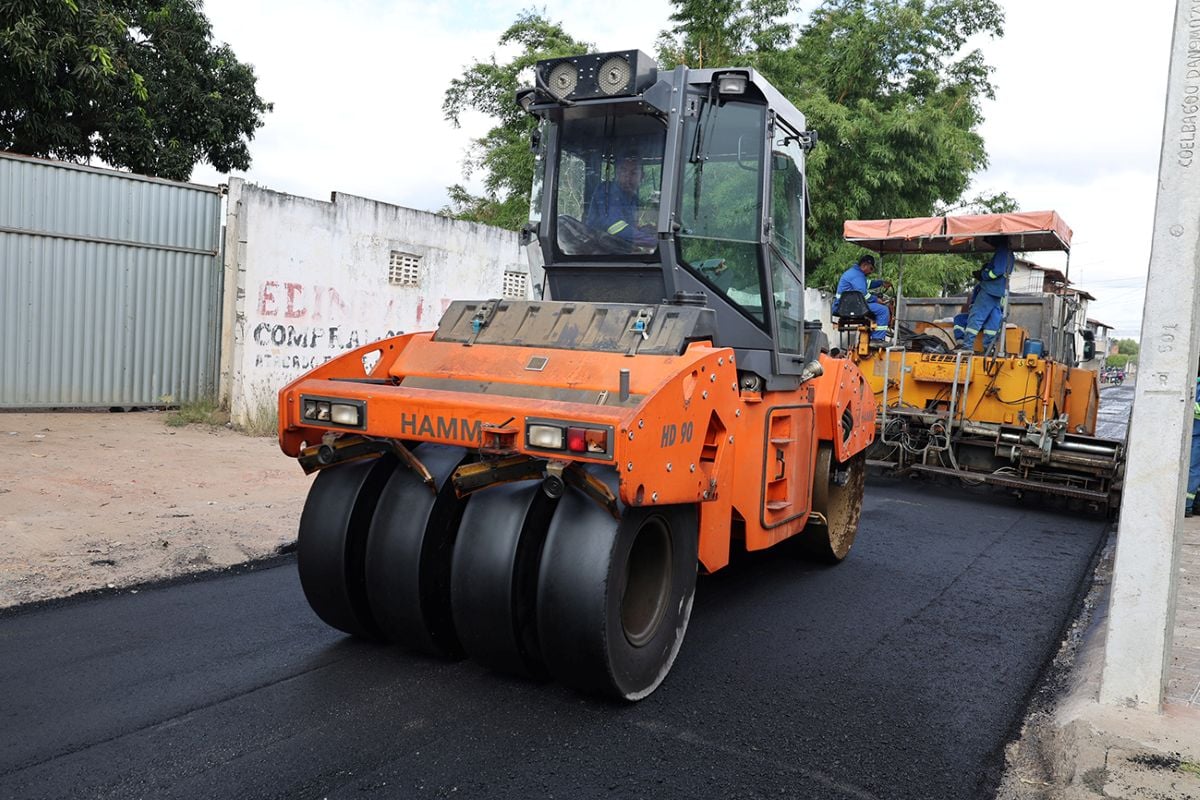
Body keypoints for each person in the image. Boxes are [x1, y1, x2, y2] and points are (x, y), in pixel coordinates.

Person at [584, 154, 655, 247]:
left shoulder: (633, 198)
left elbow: (627, 228)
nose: (627, 178)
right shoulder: (607, 191)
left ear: (642, 177)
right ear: (616, 173)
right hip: (597, 251)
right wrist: (654, 241)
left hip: (618, 249)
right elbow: (615, 227)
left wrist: (645, 230)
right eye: (623, 171)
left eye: (633, 173)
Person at [962, 235, 1015, 352]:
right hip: (999, 292)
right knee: (993, 321)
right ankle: (988, 348)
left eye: (990, 240)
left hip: (990, 290)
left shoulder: (1002, 251)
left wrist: (983, 275)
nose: (990, 243)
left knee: (976, 316)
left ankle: (967, 346)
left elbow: (998, 271)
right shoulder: (1010, 254)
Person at [833, 254, 892, 343]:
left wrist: (881, 283)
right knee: (883, 310)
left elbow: (867, 284)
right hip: (849, 306)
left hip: (847, 305)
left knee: (876, 311)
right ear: (864, 265)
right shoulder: (857, 275)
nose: (871, 272)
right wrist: (876, 300)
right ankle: (877, 339)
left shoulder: (855, 273)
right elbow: (864, 295)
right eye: (871, 268)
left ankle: (874, 335)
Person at [952, 281, 982, 349]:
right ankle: (960, 341)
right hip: (976, 315)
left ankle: (988, 346)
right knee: (959, 318)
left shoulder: (997, 289)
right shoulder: (978, 288)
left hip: (988, 319)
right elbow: (972, 303)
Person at [1187, 375, 1200, 517]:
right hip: (1195, 432)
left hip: (1197, 433)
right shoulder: (1196, 383)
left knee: (1193, 470)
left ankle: (1187, 506)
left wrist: (1191, 404)